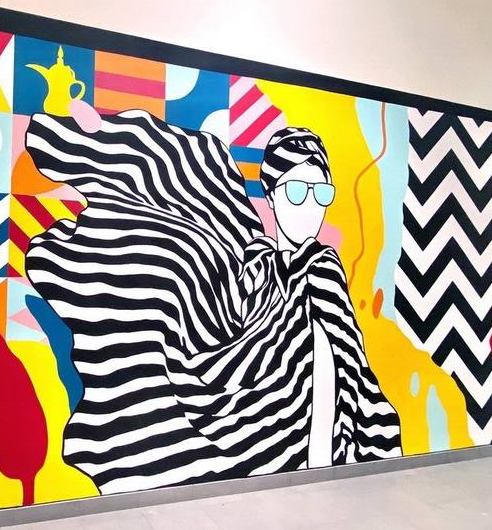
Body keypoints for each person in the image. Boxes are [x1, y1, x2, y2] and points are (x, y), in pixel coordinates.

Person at [23, 109, 402, 493]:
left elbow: (348, 377)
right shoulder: (254, 267)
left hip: (319, 467)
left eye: (321, 192)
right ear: (271, 195)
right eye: (296, 190)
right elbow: (227, 347)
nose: (310, 206)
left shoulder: (322, 271)